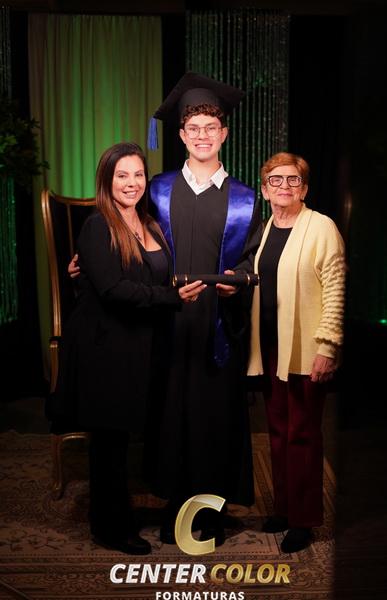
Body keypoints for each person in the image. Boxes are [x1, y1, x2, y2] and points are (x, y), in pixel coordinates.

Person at [69, 73, 261, 545]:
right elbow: (129, 245)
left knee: (213, 420)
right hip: (163, 325)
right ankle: (174, 509)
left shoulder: (244, 199)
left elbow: (249, 259)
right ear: (180, 135)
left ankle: (210, 515)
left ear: (223, 134)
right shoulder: (156, 190)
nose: (202, 136)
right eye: (193, 128)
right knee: (171, 417)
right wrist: (85, 265)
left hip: (215, 326)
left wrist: (236, 285)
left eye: (210, 128)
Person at [49, 142, 204, 555]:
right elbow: (113, 289)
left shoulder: (149, 223)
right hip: (106, 349)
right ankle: (109, 527)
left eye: (138, 174)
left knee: (124, 438)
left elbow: (149, 276)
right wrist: (172, 298)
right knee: (109, 443)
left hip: (141, 345)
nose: (131, 183)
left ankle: (123, 514)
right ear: (107, 180)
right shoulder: (98, 225)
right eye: (122, 175)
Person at [247, 152, 346, 553]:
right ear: (264, 188)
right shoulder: (267, 228)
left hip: (305, 349)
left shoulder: (321, 227)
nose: (284, 186)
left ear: (304, 188)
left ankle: (303, 520)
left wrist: (328, 345)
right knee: (277, 433)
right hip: (272, 347)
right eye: (275, 180)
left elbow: (336, 289)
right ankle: (284, 509)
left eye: (293, 180)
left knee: (302, 434)